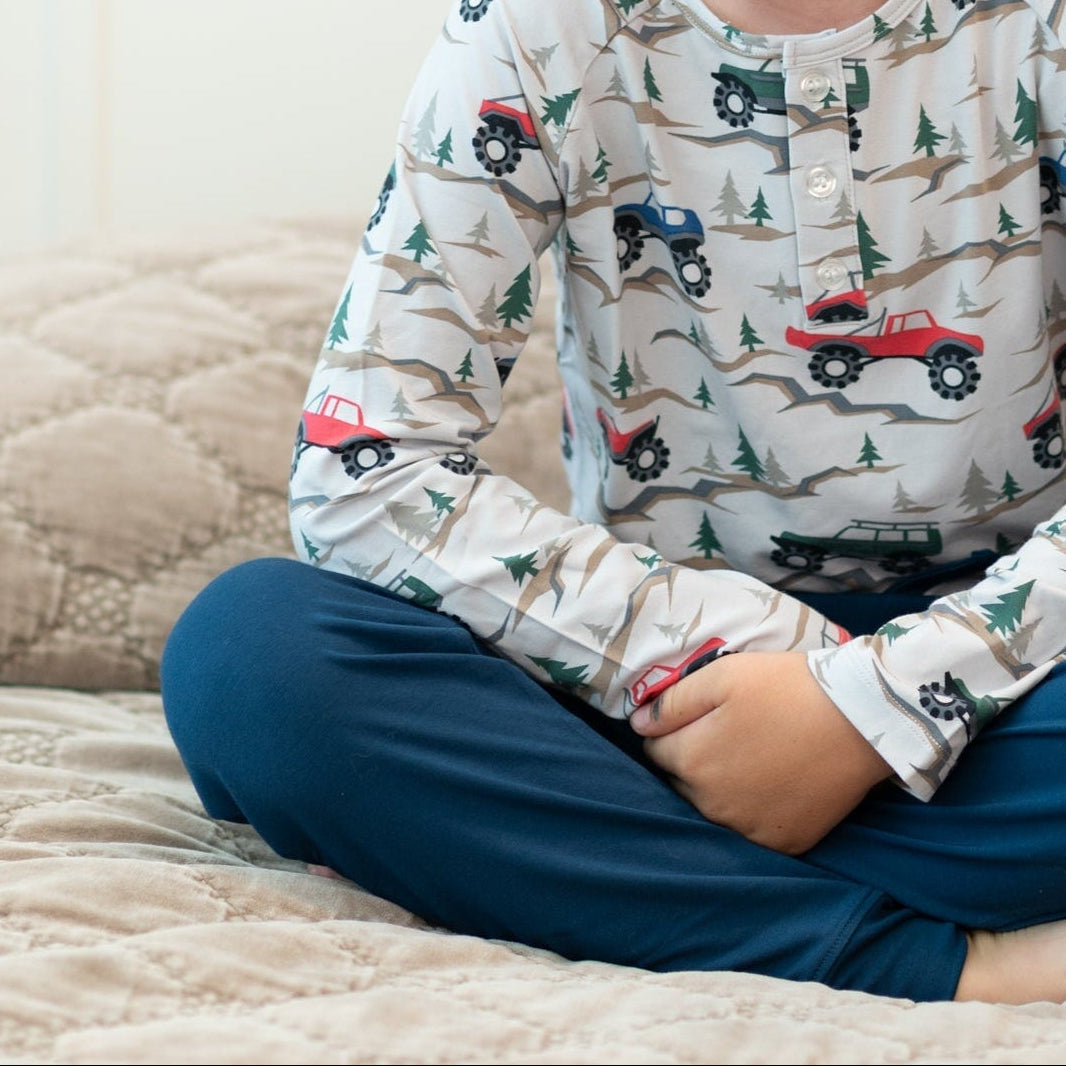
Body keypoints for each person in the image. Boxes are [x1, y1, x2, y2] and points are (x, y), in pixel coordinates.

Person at [161, 0, 1066, 1002]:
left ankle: (592, 868)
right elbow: (362, 470)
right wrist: (782, 685)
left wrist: (875, 704)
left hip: (1018, 674)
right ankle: (958, 964)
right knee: (251, 655)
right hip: (657, 686)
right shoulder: (532, 29)